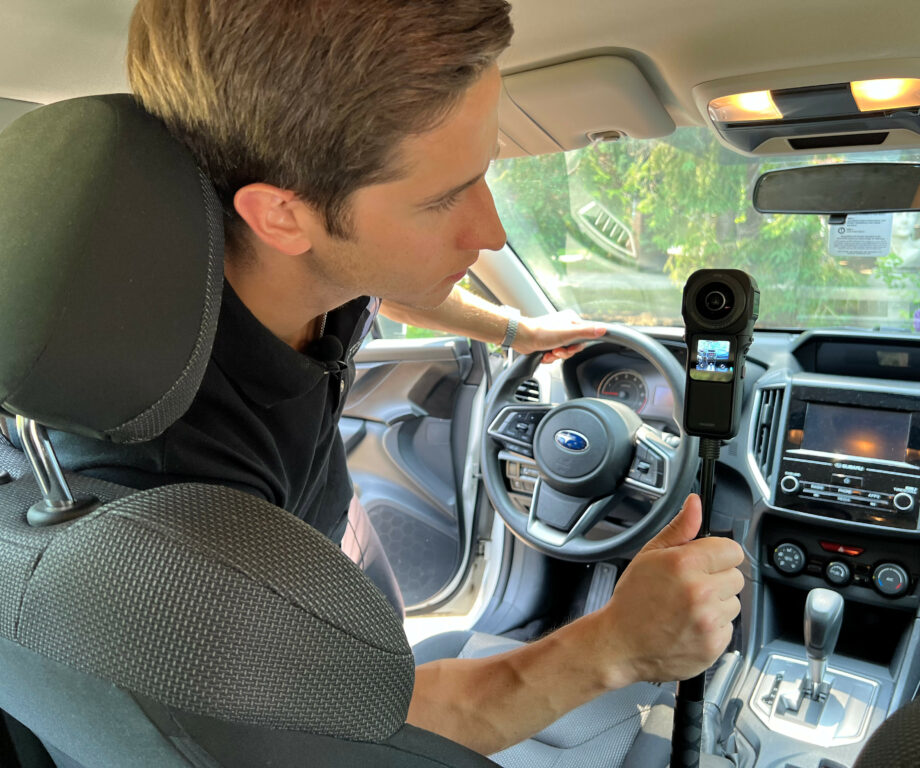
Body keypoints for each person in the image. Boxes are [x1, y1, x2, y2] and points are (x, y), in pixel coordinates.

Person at [27, 0, 745, 757]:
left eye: (486, 171)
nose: (491, 230)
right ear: (281, 217)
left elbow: (374, 277)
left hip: (324, 540)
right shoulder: (182, 515)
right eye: (442, 199)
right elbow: (353, 735)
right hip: (276, 604)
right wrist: (620, 647)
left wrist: (513, 330)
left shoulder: (271, 248)